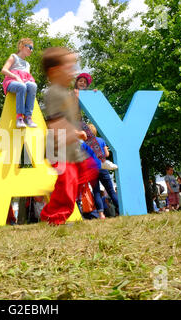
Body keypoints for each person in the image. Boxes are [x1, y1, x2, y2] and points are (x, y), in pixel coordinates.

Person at [39, 47, 100, 225]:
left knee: (86, 172)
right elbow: (56, 122)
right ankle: (53, 216)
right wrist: (75, 133)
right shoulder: (54, 93)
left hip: (70, 148)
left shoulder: (65, 94)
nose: (74, 71)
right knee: (67, 182)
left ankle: (58, 213)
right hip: (59, 148)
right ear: (54, 71)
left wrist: (90, 94)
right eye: (69, 67)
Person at [74, 73, 118, 171]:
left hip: (78, 121)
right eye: (80, 81)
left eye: (85, 82)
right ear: (76, 82)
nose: (82, 83)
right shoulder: (73, 92)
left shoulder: (85, 94)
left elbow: (89, 99)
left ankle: (102, 162)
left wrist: (93, 93)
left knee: (92, 139)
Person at [82, 123, 120, 217]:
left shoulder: (84, 144)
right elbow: (106, 155)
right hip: (102, 167)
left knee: (96, 191)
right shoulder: (101, 140)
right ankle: (120, 210)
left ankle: (101, 214)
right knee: (111, 190)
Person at [1, 38, 38, 128]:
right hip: (11, 81)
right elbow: (4, 70)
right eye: (30, 47)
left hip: (24, 82)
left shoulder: (27, 64)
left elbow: (27, 77)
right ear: (22, 46)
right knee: (21, 86)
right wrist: (16, 77)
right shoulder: (14, 57)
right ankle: (19, 117)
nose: (31, 50)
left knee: (33, 85)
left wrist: (29, 82)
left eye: (32, 48)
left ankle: (28, 117)